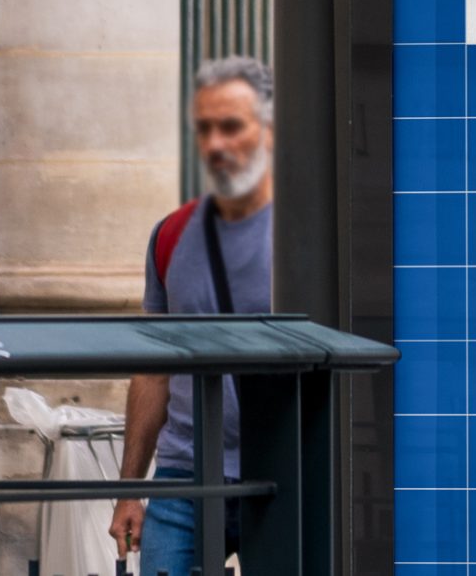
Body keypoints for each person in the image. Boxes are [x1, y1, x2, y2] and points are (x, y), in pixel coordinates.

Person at [108, 56, 275, 574]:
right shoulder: (171, 235)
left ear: (268, 130)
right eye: (205, 129)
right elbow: (154, 369)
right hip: (184, 473)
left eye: (232, 126)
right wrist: (130, 490)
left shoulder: (303, 234)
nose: (216, 144)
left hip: (279, 469)